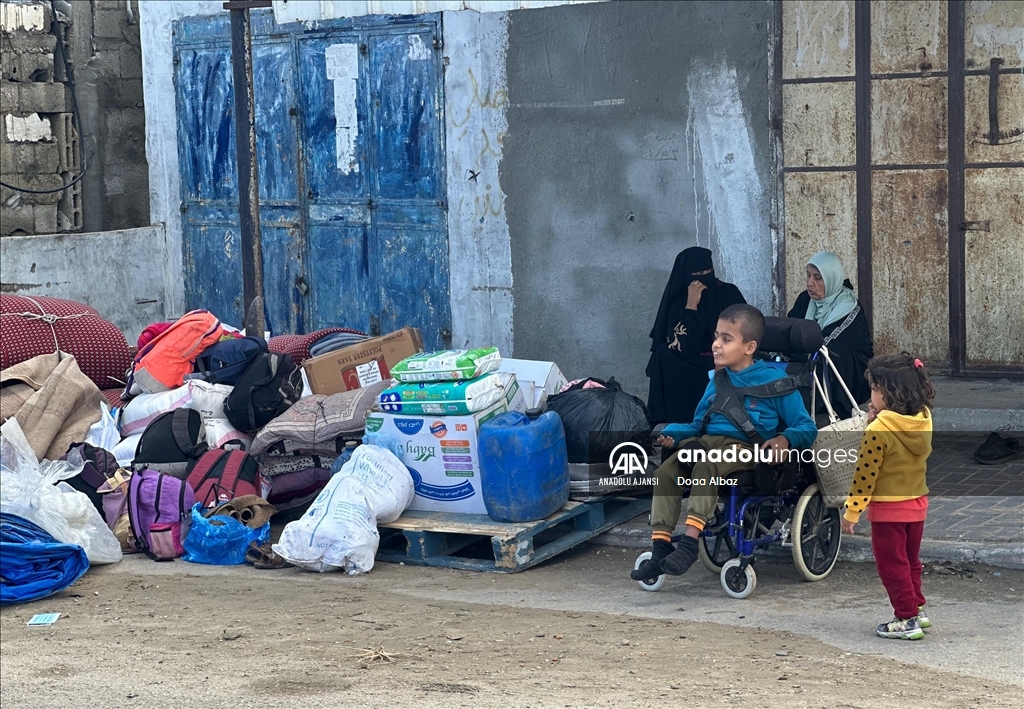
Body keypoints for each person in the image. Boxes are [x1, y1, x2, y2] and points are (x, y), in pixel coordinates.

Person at [631, 304, 817, 581]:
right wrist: (673, 433)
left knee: (706, 466)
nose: (716, 345)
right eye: (716, 337)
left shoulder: (777, 382)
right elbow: (697, 425)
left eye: (726, 339)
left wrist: (784, 439)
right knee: (666, 473)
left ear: (749, 347)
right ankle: (660, 548)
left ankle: (691, 543)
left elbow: (807, 427)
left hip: (746, 450)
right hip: (706, 442)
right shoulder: (717, 380)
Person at [842, 352, 934, 641]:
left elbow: (864, 476)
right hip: (917, 504)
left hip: (888, 511)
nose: (871, 395)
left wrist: (851, 512)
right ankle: (916, 606)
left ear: (888, 393)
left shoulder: (879, 430)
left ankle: (906, 618)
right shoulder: (923, 418)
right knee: (910, 560)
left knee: (891, 566)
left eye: (874, 389)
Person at [646, 247, 746, 425]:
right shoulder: (678, 302)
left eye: (708, 272)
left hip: (726, 359)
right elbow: (684, 346)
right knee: (663, 355)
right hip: (689, 360)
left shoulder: (728, 293)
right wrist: (691, 306)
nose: (704, 278)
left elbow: (745, 330)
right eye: (697, 274)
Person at [787, 251, 872, 420]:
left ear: (831, 278)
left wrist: (800, 347)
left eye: (818, 277)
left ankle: (830, 409)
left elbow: (822, 343)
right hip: (810, 358)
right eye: (808, 275)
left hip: (850, 370)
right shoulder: (805, 300)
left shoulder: (848, 307)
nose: (810, 283)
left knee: (829, 352)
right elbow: (790, 329)